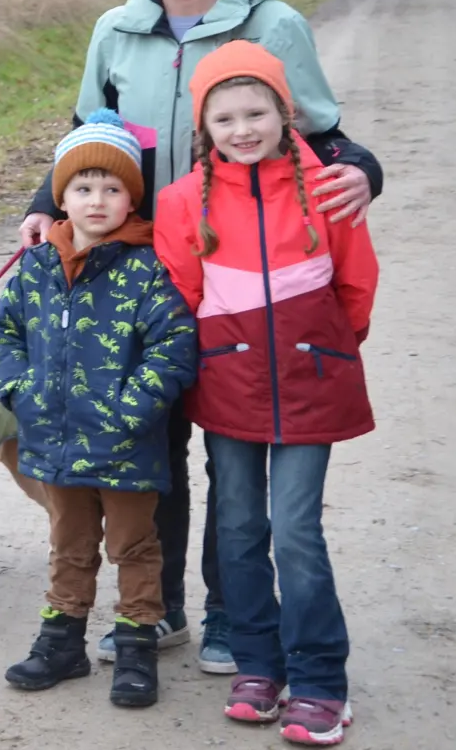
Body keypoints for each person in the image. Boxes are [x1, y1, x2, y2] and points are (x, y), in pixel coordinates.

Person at [15, 0, 385, 674]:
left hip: (238, 271)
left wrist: (365, 171)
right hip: (135, 265)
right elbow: (91, 131)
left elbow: (317, 132)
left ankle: (229, 614)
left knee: (233, 448)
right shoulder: (117, 26)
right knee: (149, 444)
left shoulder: (272, 22)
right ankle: (161, 609)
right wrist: (49, 201)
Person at [153, 40, 375, 747]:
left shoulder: (330, 188)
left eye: (257, 113)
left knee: (297, 531)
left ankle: (319, 681)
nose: (242, 129)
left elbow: (355, 287)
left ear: (286, 114)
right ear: (204, 127)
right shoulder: (182, 201)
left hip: (313, 379)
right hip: (230, 383)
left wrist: (323, 350)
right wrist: (218, 360)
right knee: (240, 528)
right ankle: (259, 664)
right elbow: (181, 298)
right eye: (225, 118)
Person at [0, 110, 199, 709]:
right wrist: (18, 390)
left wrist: (134, 408)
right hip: (54, 443)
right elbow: (4, 331)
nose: (97, 200)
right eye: (83, 188)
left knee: (134, 547)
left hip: (126, 444)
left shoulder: (148, 268)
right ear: (62, 198)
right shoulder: (37, 267)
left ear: (132, 197)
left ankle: (135, 647)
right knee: (69, 546)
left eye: (112, 189)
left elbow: (174, 345)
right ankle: (62, 643)